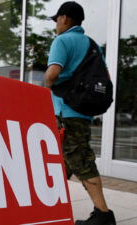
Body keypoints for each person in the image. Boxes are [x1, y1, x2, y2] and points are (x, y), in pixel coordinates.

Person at [44, 2, 116, 225]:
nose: (56, 24)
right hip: (83, 112)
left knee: (82, 161)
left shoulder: (62, 40)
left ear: (64, 18)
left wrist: (45, 84)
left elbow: (52, 75)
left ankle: (103, 214)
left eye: (57, 19)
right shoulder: (91, 44)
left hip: (67, 112)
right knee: (62, 161)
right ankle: (50, 205)